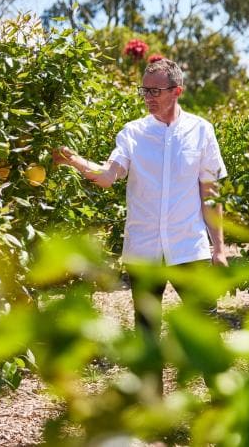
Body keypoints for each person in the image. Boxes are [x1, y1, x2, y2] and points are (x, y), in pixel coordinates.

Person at [52, 57, 228, 395]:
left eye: (155, 91)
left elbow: (210, 191)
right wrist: (74, 160)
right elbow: (107, 176)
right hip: (144, 249)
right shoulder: (133, 133)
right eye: (144, 90)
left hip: (188, 246)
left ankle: (224, 403)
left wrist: (218, 247)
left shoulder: (201, 130)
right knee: (147, 332)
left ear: (177, 91)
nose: (148, 97)